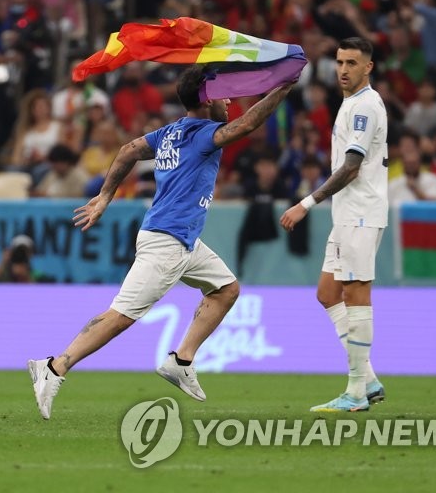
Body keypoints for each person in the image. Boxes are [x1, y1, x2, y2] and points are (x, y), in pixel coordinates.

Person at [28, 67, 296, 420]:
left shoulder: (170, 133)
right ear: (206, 100)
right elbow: (246, 125)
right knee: (120, 317)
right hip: (167, 243)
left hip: (183, 240)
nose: (229, 100)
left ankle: (181, 360)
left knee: (226, 289)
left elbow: (127, 150)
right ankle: (55, 366)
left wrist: (105, 196)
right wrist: (282, 88)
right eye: (223, 95)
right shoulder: (202, 133)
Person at [280, 37, 387, 412]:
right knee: (328, 293)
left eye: (352, 63)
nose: (343, 69)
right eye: (340, 62)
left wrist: (306, 203)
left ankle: (356, 391)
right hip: (346, 214)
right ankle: (368, 377)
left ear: (368, 67)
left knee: (356, 293)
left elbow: (352, 166)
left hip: (361, 212)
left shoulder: (365, 108)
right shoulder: (349, 104)